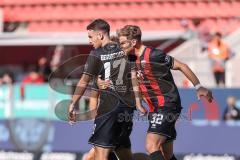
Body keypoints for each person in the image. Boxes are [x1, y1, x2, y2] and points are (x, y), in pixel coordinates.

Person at [98, 25, 213, 160]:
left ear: (134, 42)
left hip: (167, 104)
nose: (121, 46)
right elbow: (134, 78)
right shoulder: (131, 58)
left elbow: (182, 66)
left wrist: (199, 87)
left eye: (122, 43)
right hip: (154, 108)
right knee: (167, 154)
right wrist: (138, 102)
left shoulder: (154, 55)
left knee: (151, 145)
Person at [68, 19, 145, 160]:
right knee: (125, 155)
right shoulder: (126, 49)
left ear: (100, 36)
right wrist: (138, 102)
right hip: (127, 110)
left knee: (99, 156)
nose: (89, 41)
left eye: (90, 37)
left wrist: (72, 104)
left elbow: (84, 81)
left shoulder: (96, 54)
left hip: (108, 110)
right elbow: (134, 76)